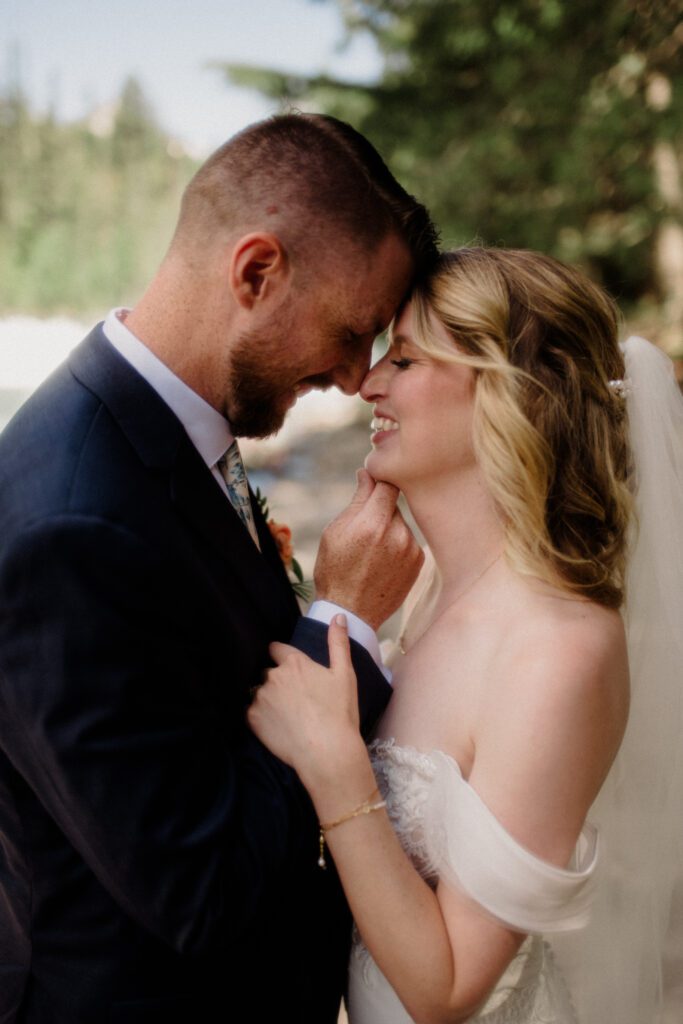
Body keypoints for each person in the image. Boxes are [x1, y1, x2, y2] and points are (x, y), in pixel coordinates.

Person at [0, 113, 439, 1023]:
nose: (359, 378)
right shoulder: (70, 524)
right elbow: (195, 888)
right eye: (352, 331)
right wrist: (340, 623)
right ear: (255, 272)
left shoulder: (170, 430)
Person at [249, 247, 683, 1023]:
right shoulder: (425, 594)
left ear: (507, 397)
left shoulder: (558, 649)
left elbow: (445, 991)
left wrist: (334, 761)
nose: (368, 382)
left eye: (406, 360)